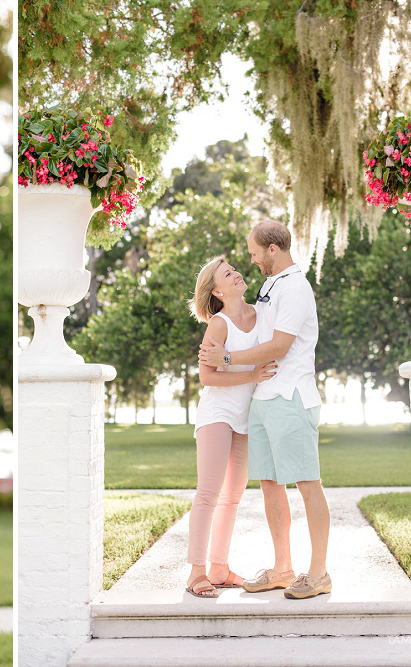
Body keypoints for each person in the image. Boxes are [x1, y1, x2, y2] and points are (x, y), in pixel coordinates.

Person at [198, 219, 331, 599]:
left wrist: (226, 357)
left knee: (307, 483)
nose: (251, 259)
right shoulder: (270, 287)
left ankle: (319, 574)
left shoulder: (297, 289)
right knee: (270, 485)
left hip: (291, 397)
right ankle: (282, 569)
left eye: (255, 251)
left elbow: (279, 347)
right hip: (262, 399)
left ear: (273, 249)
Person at [185, 255, 276, 598]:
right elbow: (207, 376)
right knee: (209, 492)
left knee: (233, 497)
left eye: (234, 269)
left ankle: (219, 567)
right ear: (218, 291)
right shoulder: (220, 324)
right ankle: (197, 572)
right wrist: (251, 374)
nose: (237, 273)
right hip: (217, 415)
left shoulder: (260, 315)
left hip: (246, 417)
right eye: (227, 274)